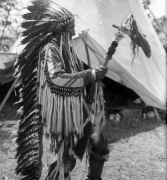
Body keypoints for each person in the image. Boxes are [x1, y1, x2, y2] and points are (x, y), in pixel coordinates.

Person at [14, 1, 124, 180]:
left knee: (99, 142)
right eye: (71, 28)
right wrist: (91, 75)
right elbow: (57, 79)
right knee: (67, 158)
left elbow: (74, 74)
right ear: (59, 29)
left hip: (77, 106)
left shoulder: (67, 48)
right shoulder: (50, 49)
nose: (74, 32)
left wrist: (92, 76)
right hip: (61, 111)